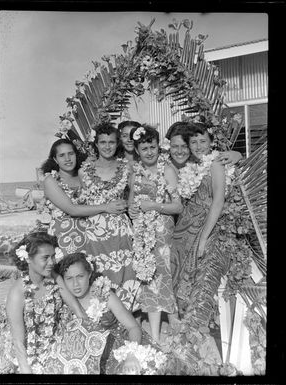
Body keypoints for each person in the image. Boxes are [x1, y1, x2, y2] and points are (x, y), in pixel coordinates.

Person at [171, 123, 235, 323]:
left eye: (203, 141)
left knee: (197, 274)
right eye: (194, 142)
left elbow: (218, 201)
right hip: (185, 227)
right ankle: (180, 321)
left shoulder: (215, 163)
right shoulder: (190, 164)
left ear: (211, 143)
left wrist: (204, 237)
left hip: (204, 225)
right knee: (177, 271)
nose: (198, 146)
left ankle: (196, 325)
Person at [0, 232, 86, 374]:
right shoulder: (17, 292)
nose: (52, 262)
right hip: (27, 349)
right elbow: (18, 341)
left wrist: (90, 333)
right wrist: (26, 368)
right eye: (45, 258)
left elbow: (77, 310)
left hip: (56, 340)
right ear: (28, 259)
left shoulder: (55, 278)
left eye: (53, 256)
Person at [128, 125, 183, 344]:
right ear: (137, 151)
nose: (149, 152)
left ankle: (175, 323)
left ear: (158, 147)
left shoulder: (167, 169)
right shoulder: (136, 172)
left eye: (152, 146)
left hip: (163, 231)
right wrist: (133, 210)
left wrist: (153, 205)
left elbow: (178, 207)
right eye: (144, 148)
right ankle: (156, 335)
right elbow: (132, 203)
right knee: (148, 278)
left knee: (166, 275)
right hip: (143, 232)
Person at [45, 252, 142, 374]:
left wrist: (131, 355)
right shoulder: (61, 301)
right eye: (69, 278)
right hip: (78, 356)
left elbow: (133, 327)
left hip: (111, 351)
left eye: (80, 276)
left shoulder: (105, 296)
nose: (75, 284)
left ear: (89, 274)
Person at [79, 123, 140, 312]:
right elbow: (80, 203)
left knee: (124, 273)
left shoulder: (128, 168)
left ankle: (126, 317)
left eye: (111, 142)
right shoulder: (84, 171)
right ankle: (101, 315)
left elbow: (132, 201)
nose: (107, 146)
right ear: (95, 144)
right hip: (94, 231)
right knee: (98, 272)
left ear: (117, 144)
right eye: (103, 142)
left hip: (120, 229)